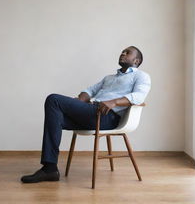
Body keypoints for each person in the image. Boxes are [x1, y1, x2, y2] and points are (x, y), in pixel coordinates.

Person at [21, 46, 151, 183]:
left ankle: (49, 169)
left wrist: (114, 102)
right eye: (122, 51)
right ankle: (50, 168)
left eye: (127, 52)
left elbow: (139, 96)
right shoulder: (109, 78)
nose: (123, 53)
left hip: (107, 117)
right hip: (92, 112)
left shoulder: (141, 76)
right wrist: (79, 101)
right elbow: (89, 91)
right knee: (55, 117)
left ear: (136, 61)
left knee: (53, 99)